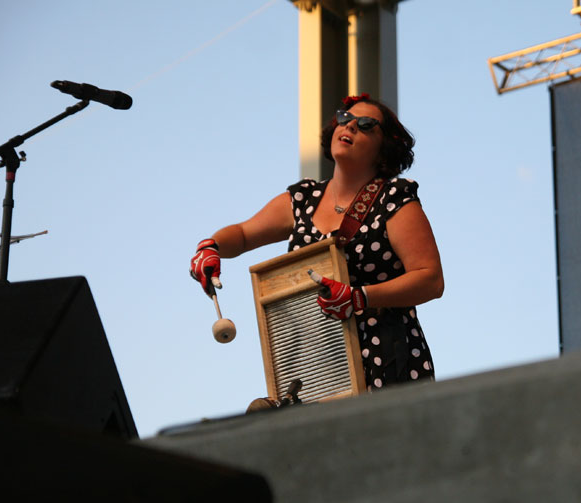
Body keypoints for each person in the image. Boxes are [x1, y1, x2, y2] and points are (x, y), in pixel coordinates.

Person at [190, 94, 443, 390]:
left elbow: (430, 279)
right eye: (345, 119)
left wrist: (359, 297)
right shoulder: (302, 199)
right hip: (315, 370)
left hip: (385, 364)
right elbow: (243, 235)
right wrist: (211, 247)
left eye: (365, 125)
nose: (349, 127)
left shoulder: (394, 199)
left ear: (384, 149)